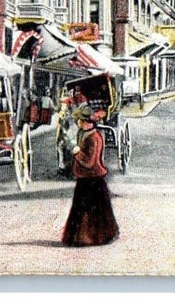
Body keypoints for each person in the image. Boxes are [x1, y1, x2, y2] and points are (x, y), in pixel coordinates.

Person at [61, 105, 120, 246]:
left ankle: (89, 238)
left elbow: (89, 161)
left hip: (93, 179)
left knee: (89, 210)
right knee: (82, 209)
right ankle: (83, 237)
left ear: (87, 122)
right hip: (85, 178)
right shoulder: (85, 134)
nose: (78, 123)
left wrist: (76, 151)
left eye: (80, 121)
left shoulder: (94, 138)